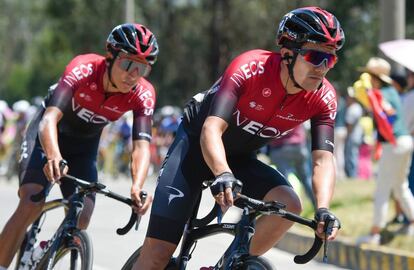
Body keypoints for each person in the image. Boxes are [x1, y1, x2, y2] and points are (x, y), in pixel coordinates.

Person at [133, 6, 343, 269]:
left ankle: (228, 265)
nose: (323, 68)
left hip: (240, 158)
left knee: (289, 204)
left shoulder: (323, 97)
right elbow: (211, 129)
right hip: (195, 149)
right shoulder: (251, 68)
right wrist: (221, 173)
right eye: (315, 56)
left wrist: (323, 208)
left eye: (331, 59)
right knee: (158, 254)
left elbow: (323, 159)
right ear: (288, 53)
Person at [0, 23, 159, 269]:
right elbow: (49, 120)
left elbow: (140, 146)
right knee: (31, 201)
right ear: (111, 56)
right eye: (128, 64)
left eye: (143, 68)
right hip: (48, 138)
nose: (134, 74)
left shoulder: (143, 94)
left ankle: (44, 251)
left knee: (81, 218)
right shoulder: (83, 68)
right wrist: (53, 156)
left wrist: (137, 186)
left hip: (84, 148)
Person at [355, 57, 414, 245]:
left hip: (394, 144)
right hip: (404, 141)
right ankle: (412, 223)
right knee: (400, 186)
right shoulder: (391, 91)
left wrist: (369, 95)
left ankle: (374, 233)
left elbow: (384, 117)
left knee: (382, 189)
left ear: (376, 77)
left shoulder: (381, 94)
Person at [268, 124, 316, 209]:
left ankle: (288, 209)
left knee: (283, 183)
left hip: (280, 148)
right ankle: (317, 205)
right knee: (306, 178)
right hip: (298, 146)